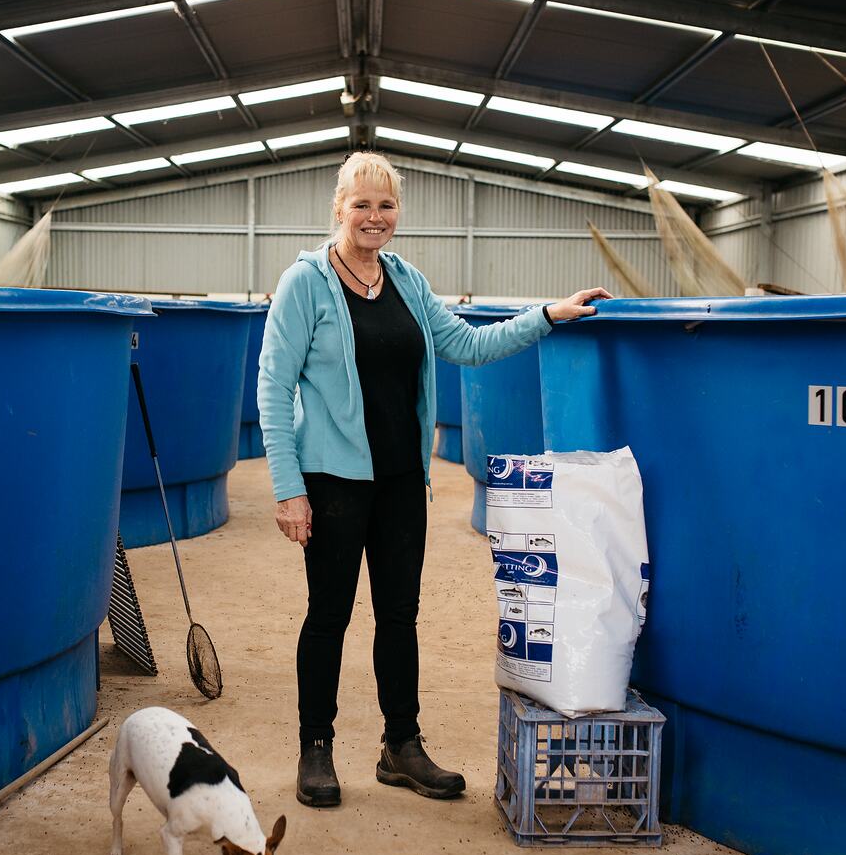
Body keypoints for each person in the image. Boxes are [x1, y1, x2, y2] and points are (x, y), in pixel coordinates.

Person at [257, 151, 612, 808]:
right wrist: (288, 487)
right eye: (361, 204)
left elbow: (468, 346)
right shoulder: (304, 284)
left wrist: (547, 316)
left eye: (386, 205)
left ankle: (401, 746)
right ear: (339, 209)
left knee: (400, 615)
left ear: (398, 214)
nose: (374, 216)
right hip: (331, 481)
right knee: (328, 616)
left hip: (399, 482)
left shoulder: (408, 283)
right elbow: (273, 389)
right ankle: (315, 749)